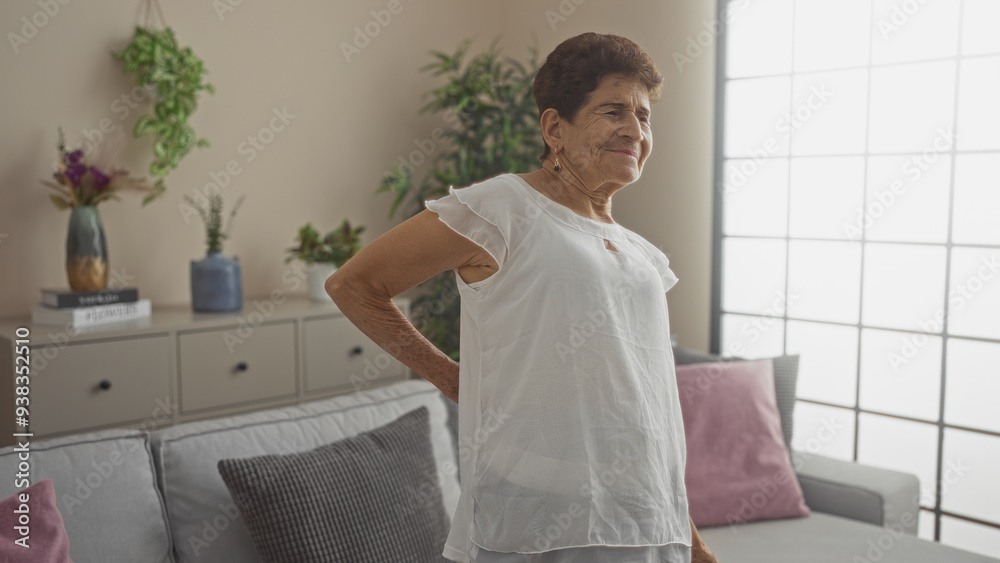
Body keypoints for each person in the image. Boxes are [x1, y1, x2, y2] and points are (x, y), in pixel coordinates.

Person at [327, 32, 719, 563]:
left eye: (644, 116)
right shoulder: (501, 207)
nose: (635, 129)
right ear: (555, 128)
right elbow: (354, 286)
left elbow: (649, 413)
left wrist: (692, 542)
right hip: (539, 515)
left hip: (645, 517)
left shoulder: (641, 255)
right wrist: (454, 378)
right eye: (613, 111)